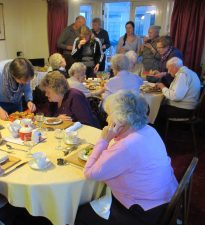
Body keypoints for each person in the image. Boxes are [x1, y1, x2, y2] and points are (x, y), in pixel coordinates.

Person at [75, 90, 178, 225]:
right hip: (164, 198)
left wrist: (104, 140)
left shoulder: (127, 145)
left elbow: (89, 173)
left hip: (144, 213)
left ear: (120, 120)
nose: (106, 120)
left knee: (80, 214)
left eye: (109, 115)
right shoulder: (149, 130)